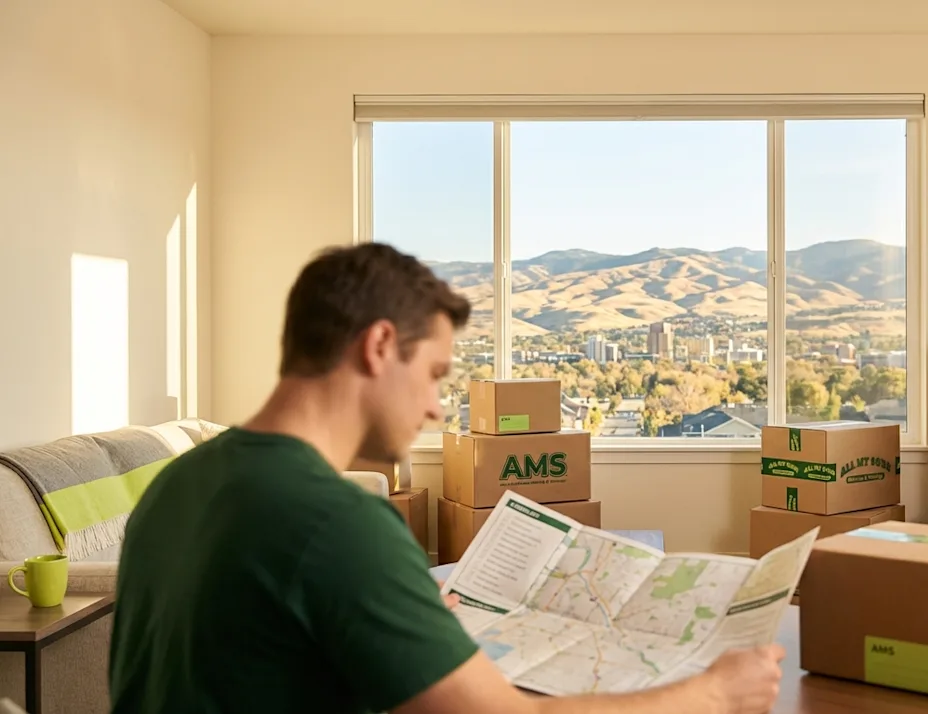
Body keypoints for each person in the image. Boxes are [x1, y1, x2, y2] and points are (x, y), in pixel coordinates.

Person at [109, 243, 785, 714]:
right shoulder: (337, 522)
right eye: (433, 374)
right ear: (379, 346)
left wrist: (395, 608)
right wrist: (716, 695)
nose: (436, 407)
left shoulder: (176, 485)